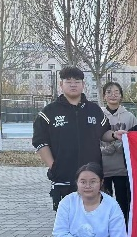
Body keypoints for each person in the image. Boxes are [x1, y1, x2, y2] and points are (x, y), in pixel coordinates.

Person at [32, 66, 125, 211]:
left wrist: (114, 135)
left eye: (77, 81)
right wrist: (53, 166)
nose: (73, 85)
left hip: (92, 177)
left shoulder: (94, 110)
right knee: (67, 219)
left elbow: (103, 133)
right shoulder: (48, 113)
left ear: (83, 84)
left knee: (94, 217)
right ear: (61, 84)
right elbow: (40, 142)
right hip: (63, 178)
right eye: (68, 81)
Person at [100, 82, 137, 222]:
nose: (113, 95)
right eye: (109, 92)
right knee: (104, 201)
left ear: (121, 96)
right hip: (103, 166)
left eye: (116, 92)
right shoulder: (98, 115)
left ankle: (125, 228)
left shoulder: (129, 116)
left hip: (122, 167)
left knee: (123, 201)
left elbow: (136, 138)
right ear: (104, 96)